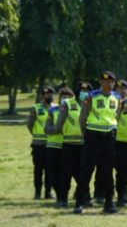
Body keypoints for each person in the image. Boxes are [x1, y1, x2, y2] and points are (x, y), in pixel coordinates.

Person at [75, 71, 120, 215]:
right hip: (93, 136)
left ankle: (108, 203)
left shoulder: (117, 97)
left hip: (109, 137)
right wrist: (86, 134)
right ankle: (79, 202)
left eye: (112, 82)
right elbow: (82, 118)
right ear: (100, 82)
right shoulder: (91, 96)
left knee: (107, 171)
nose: (110, 84)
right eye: (107, 81)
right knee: (87, 170)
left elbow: (116, 116)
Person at [48, 81, 90, 209]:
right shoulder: (68, 104)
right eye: (82, 91)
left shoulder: (90, 104)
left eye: (87, 91)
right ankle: (63, 198)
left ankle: (84, 197)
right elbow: (60, 120)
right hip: (69, 144)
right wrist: (59, 129)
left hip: (84, 144)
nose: (84, 93)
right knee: (66, 172)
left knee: (82, 173)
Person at [28, 86, 55, 200]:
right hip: (38, 144)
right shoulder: (35, 108)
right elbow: (30, 125)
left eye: (52, 95)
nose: (50, 97)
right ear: (42, 96)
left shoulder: (55, 108)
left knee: (50, 169)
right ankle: (37, 193)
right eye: (47, 95)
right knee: (38, 168)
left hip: (51, 143)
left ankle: (48, 193)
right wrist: (36, 134)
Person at [43, 88, 67, 207]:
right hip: (53, 147)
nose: (65, 99)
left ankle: (67, 195)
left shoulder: (74, 110)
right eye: (63, 97)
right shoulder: (53, 111)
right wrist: (57, 130)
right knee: (55, 173)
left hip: (69, 146)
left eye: (68, 97)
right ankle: (59, 195)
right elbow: (46, 129)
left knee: (67, 173)